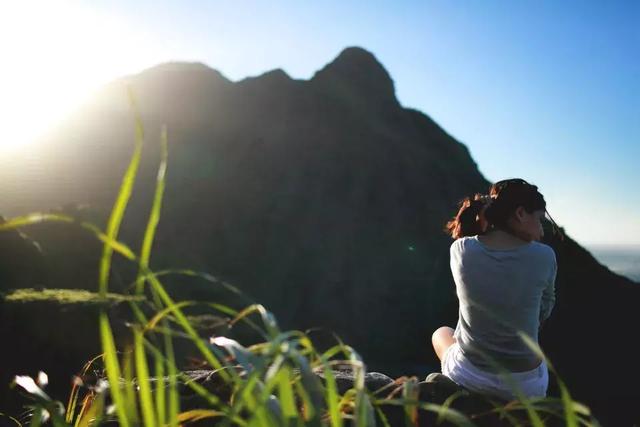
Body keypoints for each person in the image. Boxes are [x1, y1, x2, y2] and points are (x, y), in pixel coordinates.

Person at [431, 178, 562, 401]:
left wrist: (484, 217)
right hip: (527, 386)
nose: (541, 231)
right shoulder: (544, 256)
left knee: (442, 333)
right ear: (520, 214)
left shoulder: (461, 249)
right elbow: (544, 310)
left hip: (472, 376)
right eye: (539, 219)